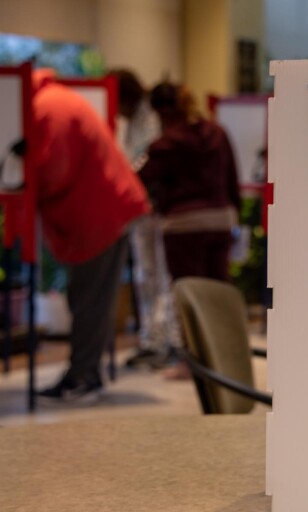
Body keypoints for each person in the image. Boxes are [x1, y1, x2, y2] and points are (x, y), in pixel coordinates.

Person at [31, 69, 151, 400]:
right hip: (107, 208)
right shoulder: (57, 100)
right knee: (91, 298)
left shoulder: (46, 107)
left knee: (89, 300)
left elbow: (55, 168)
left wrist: (26, 186)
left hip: (98, 213)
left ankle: (82, 377)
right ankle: (84, 373)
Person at [109, 68, 180, 370]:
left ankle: (169, 340)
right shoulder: (124, 122)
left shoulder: (153, 117)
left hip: (161, 208)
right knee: (144, 275)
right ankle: (150, 338)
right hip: (138, 209)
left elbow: (153, 160)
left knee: (163, 275)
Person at [138, 82, 241, 284]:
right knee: (219, 291)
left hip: (183, 224)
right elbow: (232, 178)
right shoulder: (218, 133)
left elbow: (141, 179)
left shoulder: (165, 144)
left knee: (190, 294)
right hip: (221, 219)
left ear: (159, 113)